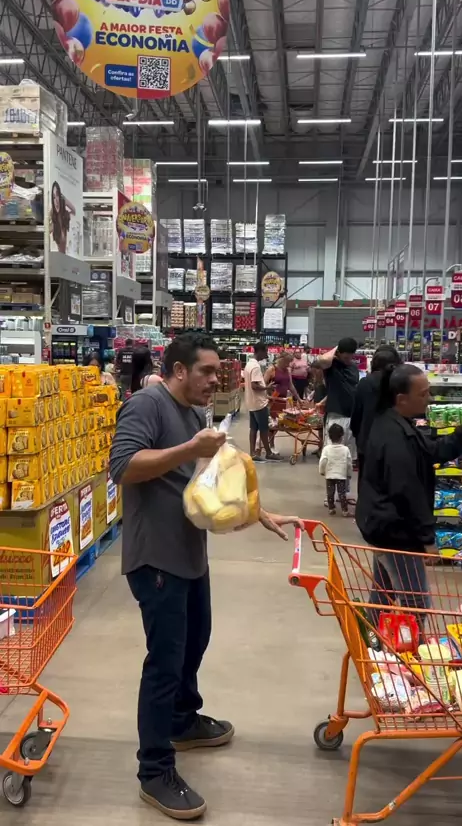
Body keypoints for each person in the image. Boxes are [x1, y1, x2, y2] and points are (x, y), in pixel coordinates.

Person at [109, 332, 303, 820]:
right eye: (208, 371)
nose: (217, 379)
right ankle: (154, 771)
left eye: (219, 371)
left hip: (190, 551)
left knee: (197, 639)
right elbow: (124, 467)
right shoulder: (147, 406)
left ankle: (181, 719)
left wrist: (258, 512)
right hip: (156, 556)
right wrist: (189, 448)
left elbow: (210, 478)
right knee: (164, 662)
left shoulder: (197, 415)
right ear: (179, 370)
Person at [356, 363, 462, 620]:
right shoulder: (393, 438)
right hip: (395, 532)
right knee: (417, 602)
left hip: (383, 527)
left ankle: (370, 637)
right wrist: (428, 540)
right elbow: (406, 492)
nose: (430, 398)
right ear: (402, 399)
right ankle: (405, 643)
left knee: (383, 595)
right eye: (423, 394)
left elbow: (434, 451)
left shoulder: (398, 424)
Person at [350, 345, 401, 483]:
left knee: (366, 480)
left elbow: (356, 414)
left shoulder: (364, 383)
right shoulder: (399, 383)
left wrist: (359, 436)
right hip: (393, 441)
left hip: (367, 440)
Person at [317, 339, 359, 462]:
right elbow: (322, 360)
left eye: (351, 356)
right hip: (336, 415)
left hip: (352, 415)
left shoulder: (353, 367)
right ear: (338, 353)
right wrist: (337, 348)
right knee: (333, 454)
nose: (348, 359)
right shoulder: (331, 365)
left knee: (349, 455)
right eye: (346, 357)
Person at [244, 342, 281, 462]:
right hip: (259, 403)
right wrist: (267, 388)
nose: (267, 354)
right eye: (266, 351)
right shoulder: (255, 367)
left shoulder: (249, 364)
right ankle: (269, 453)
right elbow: (254, 386)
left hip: (251, 402)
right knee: (264, 429)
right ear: (260, 351)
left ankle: (252, 453)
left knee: (253, 428)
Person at [319, 423, 352, 517]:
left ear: (329, 437)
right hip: (341, 476)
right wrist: (349, 474)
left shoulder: (326, 449)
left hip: (330, 475)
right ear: (342, 437)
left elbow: (323, 461)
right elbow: (349, 463)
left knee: (330, 493)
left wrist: (322, 471)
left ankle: (331, 508)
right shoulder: (345, 449)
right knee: (342, 493)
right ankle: (345, 511)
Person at [50, 181, 75, 253]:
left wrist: (65, 201)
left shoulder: (65, 217)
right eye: (54, 197)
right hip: (58, 257)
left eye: (57, 195)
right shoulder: (53, 217)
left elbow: (74, 211)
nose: (56, 200)